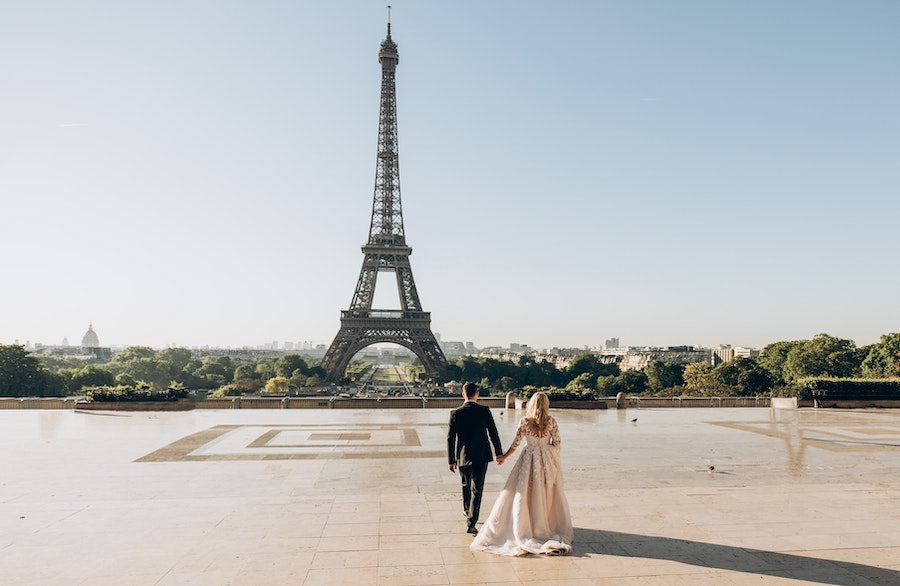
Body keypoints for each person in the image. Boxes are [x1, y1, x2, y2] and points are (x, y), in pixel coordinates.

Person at [470, 391, 573, 556]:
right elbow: (557, 443)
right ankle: (542, 524)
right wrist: (546, 452)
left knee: (524, 493)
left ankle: (525, 525)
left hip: (528, 460)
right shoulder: (551, 421)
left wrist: (503, 457)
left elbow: (516, 444)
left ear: (531, 404)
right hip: (546, 462)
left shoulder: (525, 422)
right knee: (545, 493)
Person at [447, 382, 504, 535]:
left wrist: (451, 459)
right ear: (477, 393)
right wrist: (499, 453)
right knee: (477, 489)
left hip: (463, 456)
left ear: (462, 394)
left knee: (465, 484)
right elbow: (493, 433)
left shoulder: (455, 413)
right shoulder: (484, 411)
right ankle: (471, 522)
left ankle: (467, 510)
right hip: (481, 454)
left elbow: (450, 438)